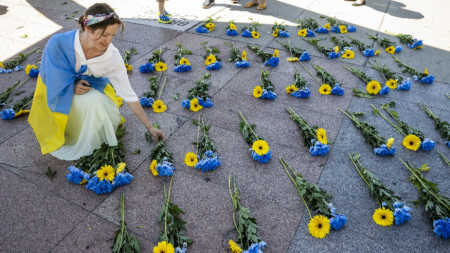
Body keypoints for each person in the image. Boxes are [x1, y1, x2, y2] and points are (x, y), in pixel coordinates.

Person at [28, 3, 164, 161]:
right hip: (56, 93)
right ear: (88, 28)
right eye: (104, 35)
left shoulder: (111, 57)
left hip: (90, 90)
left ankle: (90, 136)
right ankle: (68, 131)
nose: (108, 41)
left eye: (112, 36)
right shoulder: (58, 43)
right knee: (90, 102)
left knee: (94, 101)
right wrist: (71, 85)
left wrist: (149, 127)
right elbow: (48, 74)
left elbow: (128, 93)